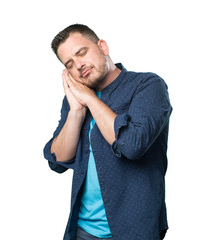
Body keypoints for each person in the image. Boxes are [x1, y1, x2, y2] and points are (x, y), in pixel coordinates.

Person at [43, 24, 172, 240]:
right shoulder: (76, 100)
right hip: (83, 230)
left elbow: (132, 145)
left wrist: (91, 100)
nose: (79, 65)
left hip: (134, 230)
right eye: (70, 64)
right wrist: (76, 111)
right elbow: (57, 161)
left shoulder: (147, 85)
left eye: (81, 53)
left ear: (102, 46)